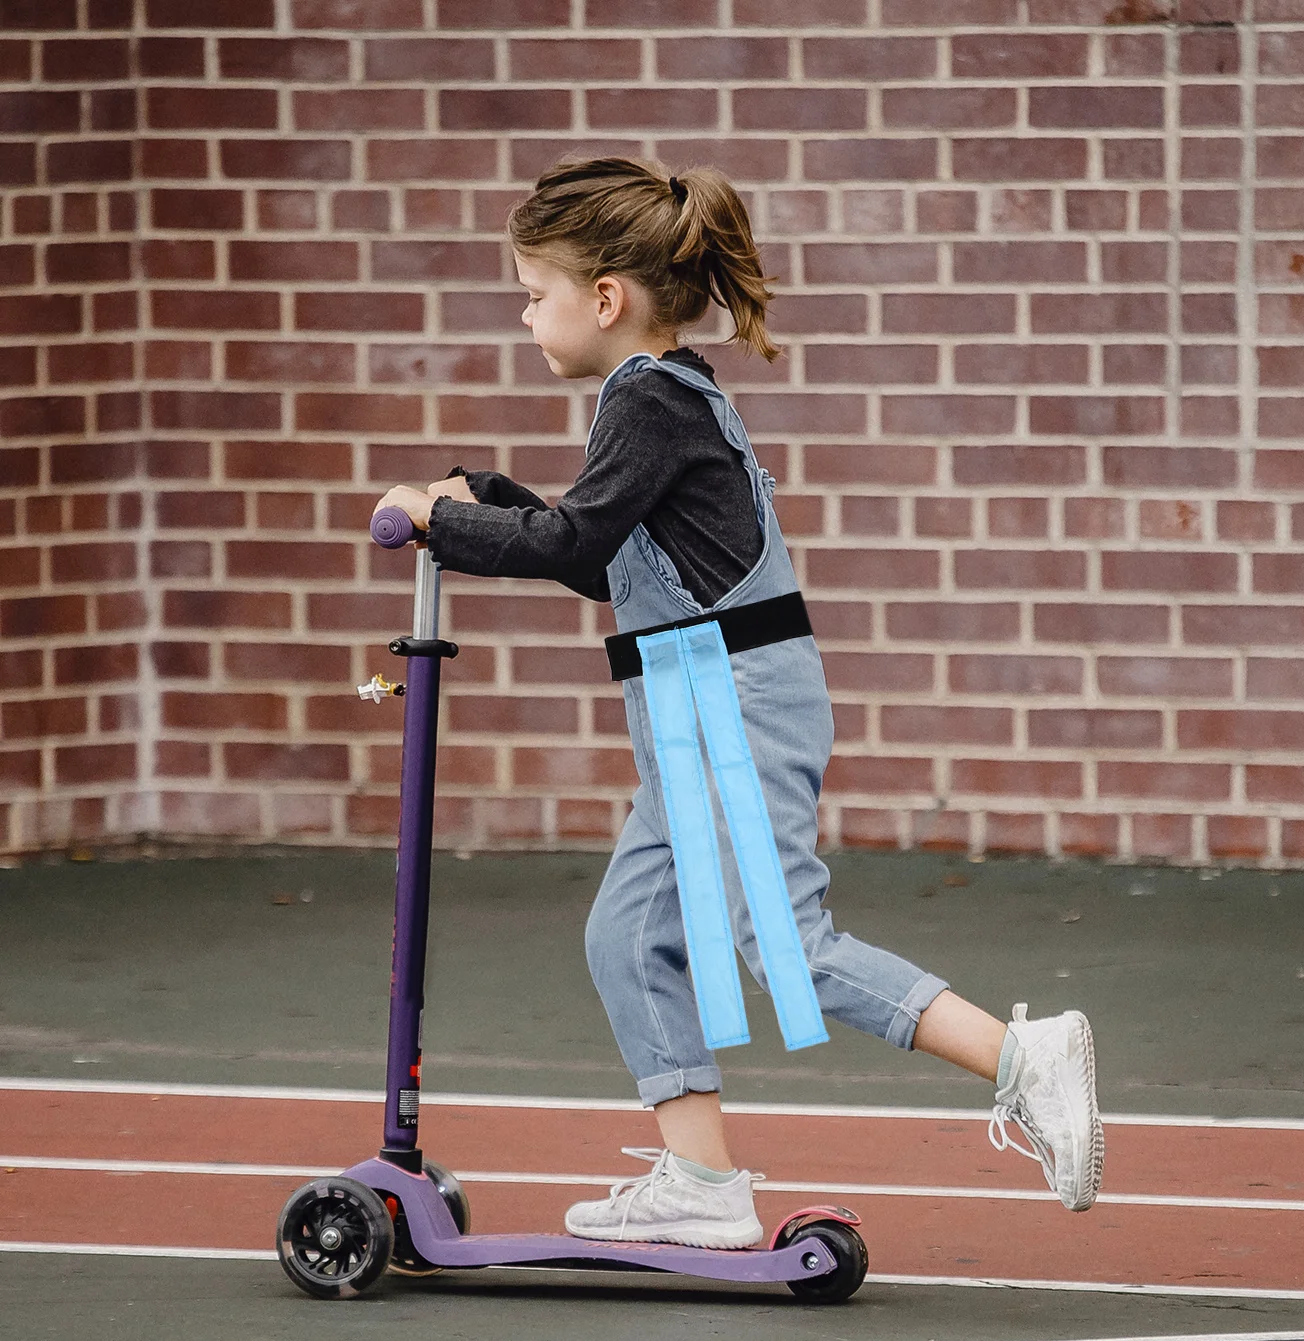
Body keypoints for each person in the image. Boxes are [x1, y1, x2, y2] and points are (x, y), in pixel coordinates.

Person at [374, 156, 1102, 1250]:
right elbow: (599, 557)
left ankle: (1021, 1058)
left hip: (731, 702)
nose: (525, 315)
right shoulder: (659, 395)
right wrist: (485, 500)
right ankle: (702, 1181)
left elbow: (574, 539)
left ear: (604, 298)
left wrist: (438, 520)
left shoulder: (649, 399)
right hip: (693, 706)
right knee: (628, 935)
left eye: (533, 294)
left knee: (786, 947)